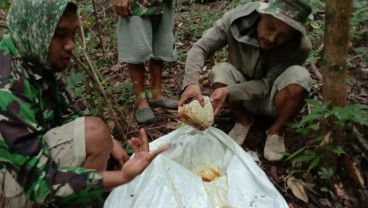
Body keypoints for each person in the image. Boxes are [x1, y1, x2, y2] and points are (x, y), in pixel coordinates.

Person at [0, 1, 170, 207]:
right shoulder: (7, 86)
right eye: (60, 34)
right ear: (33, 29)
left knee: (98, 134)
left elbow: (65, 114)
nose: (71, 45)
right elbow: (37, 182)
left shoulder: (33, 56)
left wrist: (109, 141)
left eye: (72, 34)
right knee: (95, 133)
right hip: (19, 182)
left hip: (27, 169)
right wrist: (122, 177)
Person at [179, 0, 313, 161]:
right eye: (270, 27)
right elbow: (201, 48)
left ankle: (276, 130)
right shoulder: (235, 20)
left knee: (300, 76)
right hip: (240, 95)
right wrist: (191, 82)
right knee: (219, 71)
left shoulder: (300, 46)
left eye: (283, 35)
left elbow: (267, 84)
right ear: (263, 13)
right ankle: (243, 119)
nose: (272, 38)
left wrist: (230, 91)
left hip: (273, 98)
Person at [114, 0, 178, 124]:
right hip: (136, 3)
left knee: (161, 43)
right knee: (136, 47)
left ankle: (156, 94)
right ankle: (140, 100)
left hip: (163, 3)